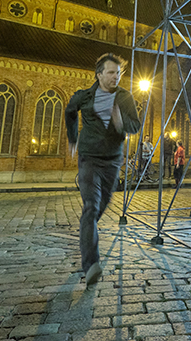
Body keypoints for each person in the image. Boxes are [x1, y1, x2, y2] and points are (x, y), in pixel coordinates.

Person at [65, 53, 140, 286]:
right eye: (110, 72)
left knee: (98, 211)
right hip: (89, 158)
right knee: (91, 206)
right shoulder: (85, 96)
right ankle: (91, 265)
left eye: (118, 73)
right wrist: (72, 137)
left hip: (112, 162)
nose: (115, 77)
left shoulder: (125, 97)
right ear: (99, 75)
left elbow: (136, 126)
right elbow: (69, 111)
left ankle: (87, 235)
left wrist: (120, 123)